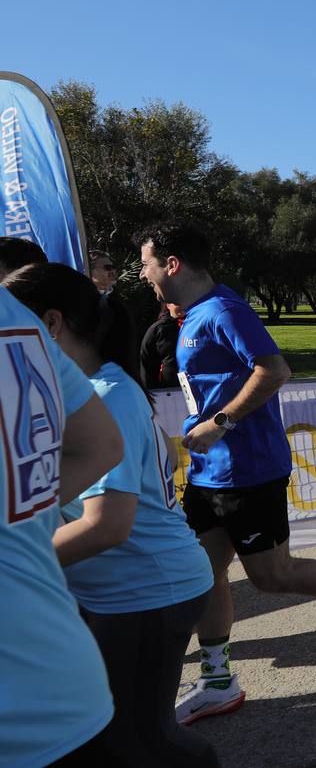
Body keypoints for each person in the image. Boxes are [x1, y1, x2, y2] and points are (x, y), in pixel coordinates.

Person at [134, 222, 316, 728]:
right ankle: (217, 681)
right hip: (210, 474)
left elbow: (274, 370)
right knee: (201, 573)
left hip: (248, 471)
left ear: (172, 265)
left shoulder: (224, 310)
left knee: (271, 576)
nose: (143, 274)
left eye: (147, 264)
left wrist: (220, 422)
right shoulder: (193, 315)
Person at [5, 263, 219, 765]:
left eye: (11, 326)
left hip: (146, 590)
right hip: (127, 589)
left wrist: (20, 561)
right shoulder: (92, 390)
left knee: (139, 737)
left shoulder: (108, 395)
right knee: (123, 735)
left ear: (50, 324)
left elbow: (109, 523)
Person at [0, 278, 124, 765]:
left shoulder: (117, 391)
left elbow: (111, 521)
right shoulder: (13, 315)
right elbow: (101, 446)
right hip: (63, 684)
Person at [140, 301, 184, 389]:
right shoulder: (159, 328)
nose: (181, 305)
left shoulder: (200, 323)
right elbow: (147, 364)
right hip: (168, 391)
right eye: (176, 302)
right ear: (167, 305)